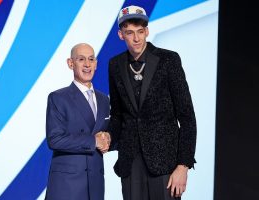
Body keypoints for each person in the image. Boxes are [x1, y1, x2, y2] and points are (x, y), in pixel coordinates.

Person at [108, 5, 197, 200]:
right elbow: (117, 115)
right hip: (130, 163)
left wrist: (183, 165)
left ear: (147, 31)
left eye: (140, 31)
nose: (137, 38)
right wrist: (107, 136)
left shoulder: (168, 60)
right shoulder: (115, 65)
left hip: (165, 164)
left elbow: (187, 116)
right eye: (129, 33)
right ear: (121, 34)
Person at [45, 43, 111, 200]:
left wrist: (109, 138)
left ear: (96, 64)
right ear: (70, 63)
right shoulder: (58, 98)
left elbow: (106, 134)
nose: (87, 64)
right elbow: (54, 139)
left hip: (95, 185)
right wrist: (93, 142)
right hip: (67, 185)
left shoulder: (103, 99)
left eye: (91, 59)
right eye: (81, 59)